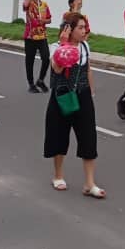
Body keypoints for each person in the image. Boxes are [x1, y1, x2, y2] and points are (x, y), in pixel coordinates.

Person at [44, 12, 104, 198]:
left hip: (83, 95)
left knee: (88, 137)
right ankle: (58, 175)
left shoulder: (85, 46)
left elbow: (88, 69)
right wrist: (64, 46)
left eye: (84, 27)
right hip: (62, 95)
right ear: (69, 29)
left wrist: (91, 92)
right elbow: (57, 69)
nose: (84, 30)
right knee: (59, 134)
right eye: (80, 27)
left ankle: (89, 183)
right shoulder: (56, 47)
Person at [23, 0, 52, 93]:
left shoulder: (44, 5)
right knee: (29, 61)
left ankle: (40, 80)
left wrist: (43, 21)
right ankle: (31, 84)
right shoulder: (29, 3)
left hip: (42, 36)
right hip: (30, 37)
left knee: (46, 58)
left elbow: (49, 19)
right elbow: (25, 5)